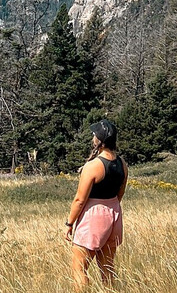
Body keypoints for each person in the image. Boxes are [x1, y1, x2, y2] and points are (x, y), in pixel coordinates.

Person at [64, 119, 128, 288]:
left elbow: (79, 200)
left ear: (99, 140)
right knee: (107, 269)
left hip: (93, 217)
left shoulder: (93, 166)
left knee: (79, 269)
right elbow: (120, 193)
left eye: (94, 134)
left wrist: (69, 223)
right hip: (114, 214)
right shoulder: (122, 164)